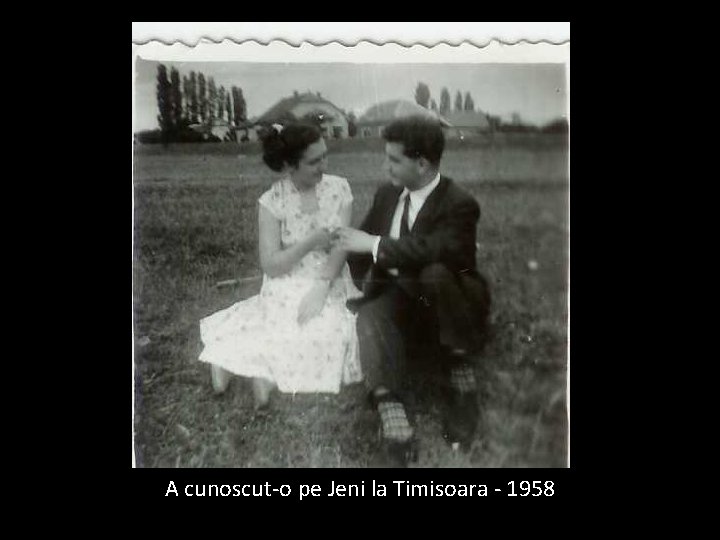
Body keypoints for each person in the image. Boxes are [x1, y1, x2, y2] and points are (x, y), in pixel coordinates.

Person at [335, 115, 491, 467]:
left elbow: (432, 250)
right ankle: (391, 409)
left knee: (435, 272)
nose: (385, 166)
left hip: (447, 303)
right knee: (371, 313)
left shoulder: (459, 203)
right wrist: (356, 280)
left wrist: (375, 244)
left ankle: (460, 375)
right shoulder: (387, 194)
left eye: (394, 159)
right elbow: (360, 244)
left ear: (421, 164)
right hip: (403, 300)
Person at [198, 122, 362, 409]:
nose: (324, 165)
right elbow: (272, 265)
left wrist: (321, 288)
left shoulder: (339, 189)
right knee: (284, 318)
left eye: (325, 156)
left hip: (329, 275)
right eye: (314, 161)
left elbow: (341, 246)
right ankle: (235, 362)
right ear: (289, 165)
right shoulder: (273, 201)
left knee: (328, 328)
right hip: (287, 276)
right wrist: (310, 241)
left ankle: (262, 372)